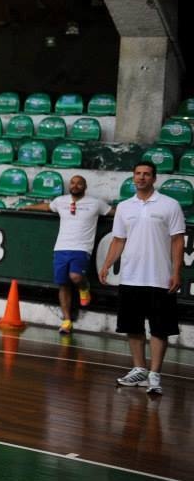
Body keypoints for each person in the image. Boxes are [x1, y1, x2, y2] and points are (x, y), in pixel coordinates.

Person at [99, 161, 185, 395]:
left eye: (146, 174)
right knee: (132, 326)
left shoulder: (170, 205)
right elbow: (118, 239)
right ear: (133, 177)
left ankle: (154, 375)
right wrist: (107, 264)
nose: (141, 178)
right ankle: (139, 369)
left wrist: (177, 271)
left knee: (159, 329)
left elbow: (178, 240)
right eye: (138, 173)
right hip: (131, 277)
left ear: (154, 179)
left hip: (160, 277)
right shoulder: (125, 207)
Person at [20, 175, 112, 335]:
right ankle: (67, 321)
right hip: (61, 248)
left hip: (82, 248)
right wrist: (26, 207)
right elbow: (46, 207)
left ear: (85, 186)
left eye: (79, 183)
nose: (75, 186)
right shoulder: (60, 201)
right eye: (73, 183)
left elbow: (113, 212)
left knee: (75, 277)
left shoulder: (96, 203)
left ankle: (85, 288)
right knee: (63, 284)